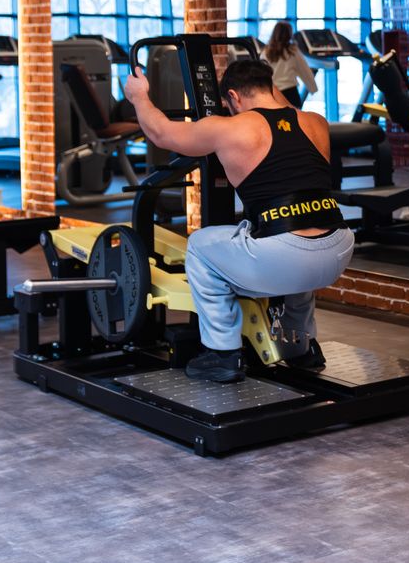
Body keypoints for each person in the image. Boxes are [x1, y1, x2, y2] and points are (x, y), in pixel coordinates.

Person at [123, 57, 354, 383]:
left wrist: (138, 96)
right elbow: (280, 108)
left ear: (232, 96)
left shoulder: (228, 127)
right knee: (297, 240)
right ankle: (300, 348)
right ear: (270, 85)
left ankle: (222, 354)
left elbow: (160, 133)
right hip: (337, 251)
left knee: (200, 245)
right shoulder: (315, 122)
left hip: (285, 256)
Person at [264, 22, 317, 108]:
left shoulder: (266, 52)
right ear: (289, 34)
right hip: (290, 93)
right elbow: (304, 70)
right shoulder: (293, 52)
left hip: (274, 93)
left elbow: (263, 74)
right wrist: (313, 88)